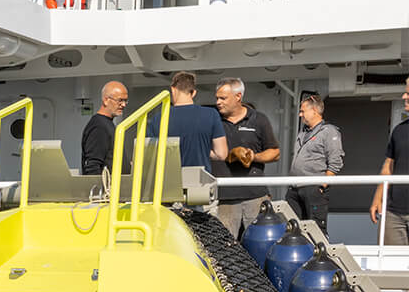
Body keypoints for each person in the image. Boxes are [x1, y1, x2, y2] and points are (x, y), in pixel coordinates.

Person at [212, 78, 281, 237]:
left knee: (258, 244)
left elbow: (275, 152)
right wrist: (230, 155)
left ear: (238, 97)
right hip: (224, 198)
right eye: (217, 98)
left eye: (223, 98)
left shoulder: (259, 119)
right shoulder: (213, 121)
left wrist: (253, 156)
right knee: (225, 248)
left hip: (255, 196)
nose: (218, 102)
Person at [146, 71, 227, 172]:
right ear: (193, 93)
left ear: (173, 90)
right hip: (199, 180)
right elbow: (221, 154)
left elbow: (147, 154)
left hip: (168, 180)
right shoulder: (211, 114)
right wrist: (203, 149)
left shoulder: (158, 118)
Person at [287, 94, 344, 235]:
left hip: (313, 189)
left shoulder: (329, 131)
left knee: (315, 230)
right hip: (295, 189)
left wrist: (321, 186)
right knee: (292, 229)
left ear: (314, 111)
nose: (300, 115)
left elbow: (336, 161)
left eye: (302, 111)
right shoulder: (303, 133)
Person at [370, 77, 409, 246]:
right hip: (394, 213)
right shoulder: (399, 131)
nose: (403, 96)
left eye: (408, 93)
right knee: (392, 265)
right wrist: (378, 198)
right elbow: (388, 166)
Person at [81, 81, 129, 175]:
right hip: (107, 189)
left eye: (125, 101)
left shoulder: (106, 124)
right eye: (120, 100)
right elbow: (92, 166)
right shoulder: (99, 126)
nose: (123, 105)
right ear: (106, 100)